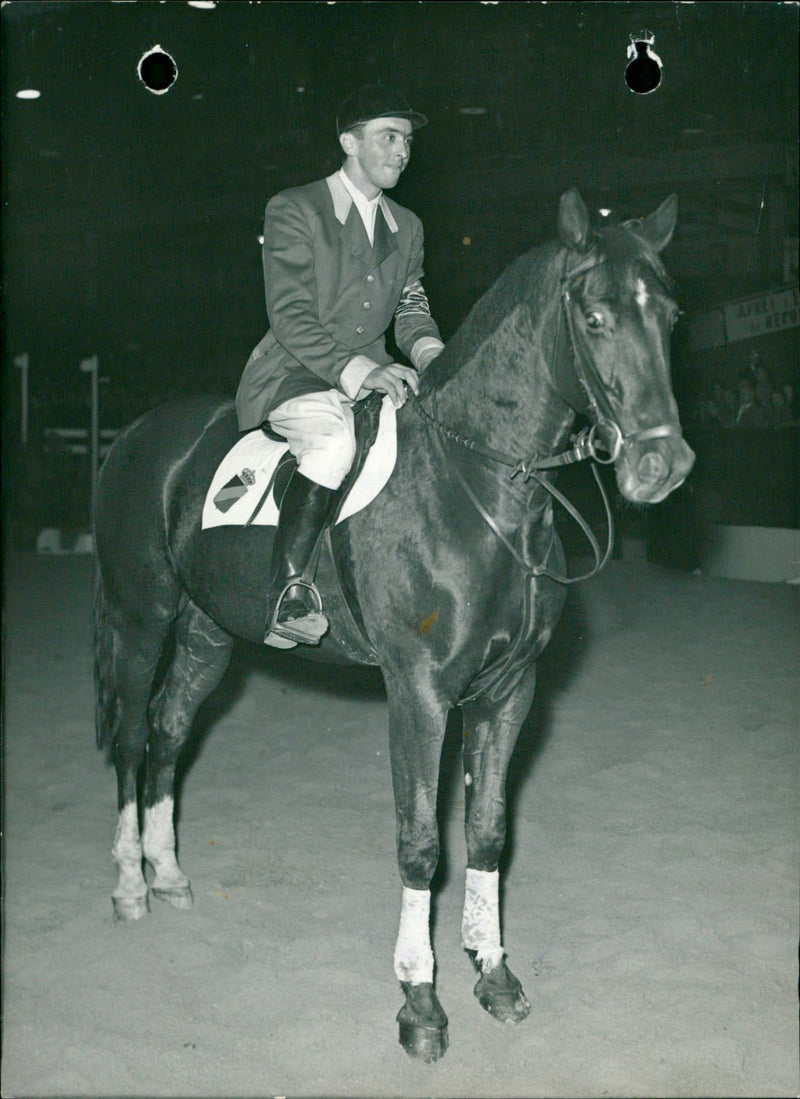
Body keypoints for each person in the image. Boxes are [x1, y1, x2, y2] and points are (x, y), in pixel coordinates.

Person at [236, 85, 444, 648]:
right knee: (332, 444)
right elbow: (291, 314)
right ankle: (289, 591)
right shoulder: (294, 208)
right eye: (389, 137)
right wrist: (358, 372)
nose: (402, 151)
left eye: (406, 141)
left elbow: (410, 306)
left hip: (378, 371)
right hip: (296, 369)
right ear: (349, 142)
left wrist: (433, 356)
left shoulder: (408, 225)